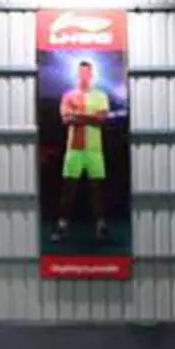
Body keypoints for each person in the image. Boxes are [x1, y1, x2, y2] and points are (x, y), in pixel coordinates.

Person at [51, 60, 111, 243]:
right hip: (74, 150)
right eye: (81, 72)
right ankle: (62, 227)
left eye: (87, 72)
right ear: (77, 75)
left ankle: (101, 227)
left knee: (97, 190)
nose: (84, 75)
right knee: (68, 190)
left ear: (91, 74)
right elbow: (66, 119)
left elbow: (101, 120)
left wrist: (77, 115)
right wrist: (89, 117)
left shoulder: (100, 95)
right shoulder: (68, 95)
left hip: (94, 150)